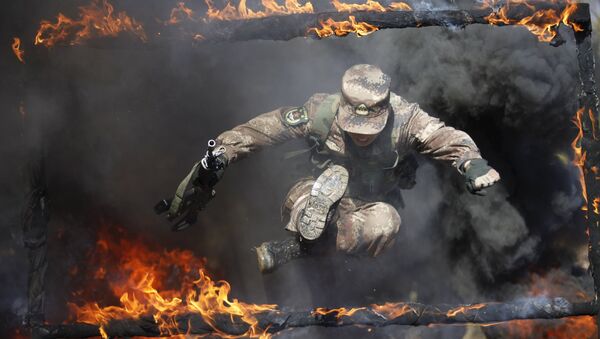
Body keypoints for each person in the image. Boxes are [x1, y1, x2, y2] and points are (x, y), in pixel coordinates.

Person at [162, 64, 500, 273]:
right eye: (353, 125)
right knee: (306, 205)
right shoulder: (320, 111)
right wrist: (220, 154)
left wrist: (470, 161)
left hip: (370, 203)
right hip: (312, 188)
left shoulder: (405, 118)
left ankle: (306, 245)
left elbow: (442, 136)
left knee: (386, 223)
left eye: (369, 128)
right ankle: (316, 217)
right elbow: (260, 130)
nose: (360, 136)